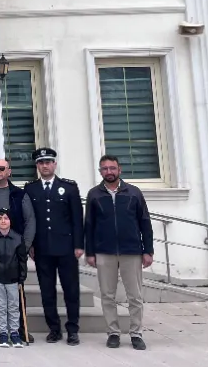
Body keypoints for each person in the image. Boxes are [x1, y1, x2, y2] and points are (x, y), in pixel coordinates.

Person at [85, 155, 154, 351]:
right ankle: (113, 332)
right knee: (107, 295)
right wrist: (90, 252)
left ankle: (136, 333)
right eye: (105, 168)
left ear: (119, 170)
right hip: (104, 251)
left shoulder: (134, 192)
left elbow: (145, 222)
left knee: (135, 295)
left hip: (131, 251)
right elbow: (89, 225)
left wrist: (148, 250)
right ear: (100, 171)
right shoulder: (94, 194)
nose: (109, 172)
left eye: (112, 168)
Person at [24, 147, 84, 345]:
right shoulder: (30, 189)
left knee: (71, 290)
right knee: (47, 291)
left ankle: (73, 329)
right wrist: (30, 244)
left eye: (48, 162)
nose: (45, 166)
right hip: (42, 249)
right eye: (41, 163)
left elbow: (77, 218)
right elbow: (29, 220)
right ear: (37, 166)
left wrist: (78, 245)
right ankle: (54, 329)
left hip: (66, 248)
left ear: (54, 164)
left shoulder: (69, 187)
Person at [0, 159, 35, 341]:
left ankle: (20, 328)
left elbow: (30, 221)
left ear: (9, 171)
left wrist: (25, 247)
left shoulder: (19, 195)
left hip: (14, 252)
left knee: (17, 291)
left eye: (2, 168)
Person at [0, 208, 28, 348]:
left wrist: (21, 278)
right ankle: (2, 333)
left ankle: (14, 333)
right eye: (0, 218)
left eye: (6, 218)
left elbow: (22, 260)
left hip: (13, 279)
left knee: (13, 306)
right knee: (0, 306)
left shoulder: (18, 238)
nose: (3, 221)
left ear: (10, 221)